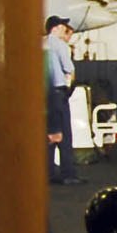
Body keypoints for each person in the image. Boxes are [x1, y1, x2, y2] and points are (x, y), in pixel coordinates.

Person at [42, 14, 77, 184]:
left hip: (43, 94)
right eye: (63, 26)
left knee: (48, 133)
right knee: (64, 134)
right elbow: (68, 68)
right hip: (58, 91)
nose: (65, 29)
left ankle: (48, 172)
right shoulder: (60, 45)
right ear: (55, 28)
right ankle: (68, 174)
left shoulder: (41, 43)